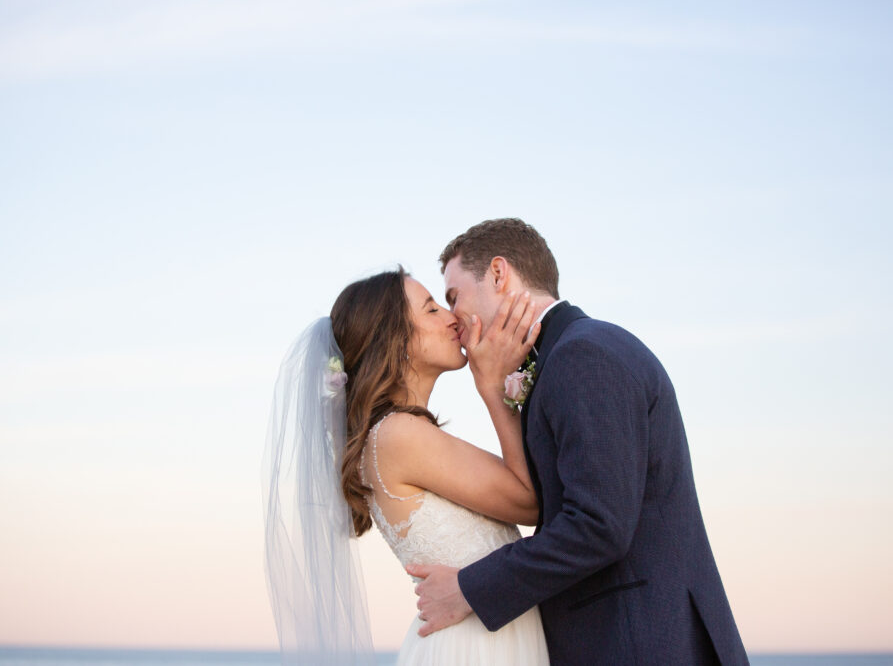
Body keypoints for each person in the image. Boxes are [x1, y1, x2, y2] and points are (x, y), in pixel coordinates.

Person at [409, 218, 749, 665]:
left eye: (454, 296)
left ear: (498, 273)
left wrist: (469, 590)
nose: (453, 316)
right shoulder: (567, 356)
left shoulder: (582, 355)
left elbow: (598, 526)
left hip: (639, 643)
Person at [262, 266, 551, 665]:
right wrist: (492, 384)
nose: (452, 318)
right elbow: (529, 502)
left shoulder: (392, 435)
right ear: (394, 342)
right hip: (473, 650)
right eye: (431, 309)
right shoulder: (398, 435)